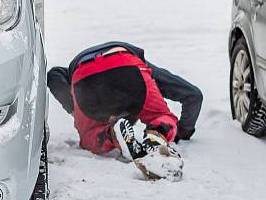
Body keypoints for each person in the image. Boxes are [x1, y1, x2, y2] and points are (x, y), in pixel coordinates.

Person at [48, 42, 203, 181]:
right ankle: (158, 134)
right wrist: (182, 132)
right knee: (161, 116)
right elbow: (194, 95)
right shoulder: (148, 70)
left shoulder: (70, 71)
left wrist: (74, 108)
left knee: (91, 137)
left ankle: (111, 135)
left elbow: (53, 75)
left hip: (85, 74)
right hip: (127, 64)